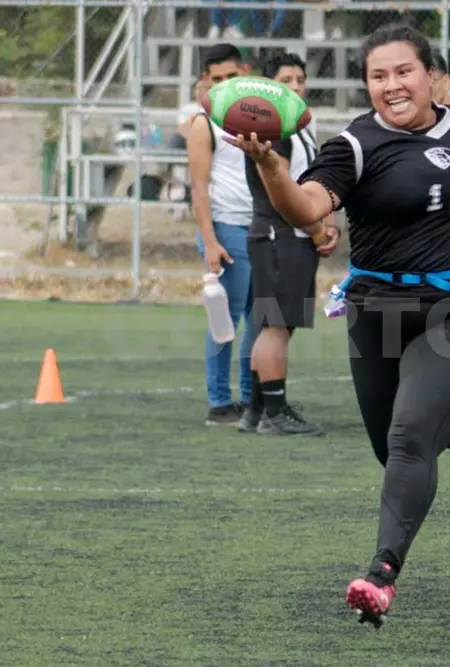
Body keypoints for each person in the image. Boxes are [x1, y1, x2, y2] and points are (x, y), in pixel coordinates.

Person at [230, 23, 450, 626]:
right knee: (388, 448)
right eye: (377, 76)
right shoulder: (355, 146)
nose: (391, 85)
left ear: (433, 76)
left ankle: (382, 573)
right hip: (379, 312)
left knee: (409, 438)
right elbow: (305, 206)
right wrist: (270, 166)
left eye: (403, 72)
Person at [240, 53, 340, 436]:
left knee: (278, 324)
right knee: (275, 325)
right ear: (269, 88)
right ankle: (274, 413)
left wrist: (324, 222)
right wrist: (316, 230)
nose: (297, 86)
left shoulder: (297, 125)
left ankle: (256, 409)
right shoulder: (273, 127)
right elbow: (279, 188)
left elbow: (308, 184)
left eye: (301, 78)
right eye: (286, 80)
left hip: (291, 235)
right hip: (279, 234)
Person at [187, 43, 258, 426]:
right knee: (225, 319)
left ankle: (252, 397)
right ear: (206, 82)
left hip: (260, 226)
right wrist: (210, 240)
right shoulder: (204, 123)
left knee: (258, 317)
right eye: (218, 79)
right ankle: (219, 402)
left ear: (245, 73)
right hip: (226, 227)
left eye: (233, 76)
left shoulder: (259, 119)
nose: (227, 84)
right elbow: (198, 187)